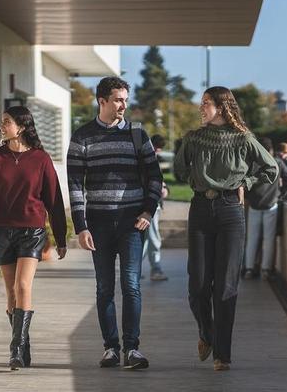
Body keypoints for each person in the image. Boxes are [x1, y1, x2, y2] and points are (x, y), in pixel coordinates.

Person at [173, 86, 278, 371]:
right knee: (197, 285)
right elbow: (179, 170)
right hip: (200, 211)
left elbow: (270, 169)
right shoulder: (193, 138)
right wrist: (197, 171)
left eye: (205, 103)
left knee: (225, 287)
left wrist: (246, 183)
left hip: (231, 211)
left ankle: (223, 355)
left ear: (221, 107)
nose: (200, 108)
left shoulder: (244, 139)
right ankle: (206, 334)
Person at [67, 76, 163, 370]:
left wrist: (148, 211)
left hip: (132, 223)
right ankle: (111, 347)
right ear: (102, 101)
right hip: (98, 223)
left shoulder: (137, 134)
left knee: (131, 285)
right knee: (104, 288)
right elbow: (74, 185)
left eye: (125, 99)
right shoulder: (82, 136)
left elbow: (155, 177)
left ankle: (132, 349)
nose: (123, 105)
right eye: (118, 99)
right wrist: (81, 226)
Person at [0, 106, 68, 370]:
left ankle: (15, 349)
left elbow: (54, 200)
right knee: (11, 291)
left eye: (6, 122)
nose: (2, 126)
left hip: (32, 231)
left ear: (22, 127)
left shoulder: (41, 159)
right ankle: (23, 345)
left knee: (23, 286)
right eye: (2, 122)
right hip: (2, 230)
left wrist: (60, 237)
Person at [244, 138, 287, 281]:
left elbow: (245, 182)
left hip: (254, 205)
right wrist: (280, 194)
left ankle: (249, 268)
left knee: (252, 239)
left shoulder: (253, 163)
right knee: (269, 239)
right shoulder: (277, 162)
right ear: (271, 149)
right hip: (272, 204)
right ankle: (265, 270)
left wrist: (249, 196)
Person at [143, 134, 169, 281]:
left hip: (154, 204)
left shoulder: (153, 160)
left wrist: (165, 189)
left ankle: (135, 269)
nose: (157, 151)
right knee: (153, 238)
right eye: (156, 148)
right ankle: (156, 269)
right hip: (150, 206)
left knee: (146, 239)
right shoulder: (145, 160)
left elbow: (160, 181)